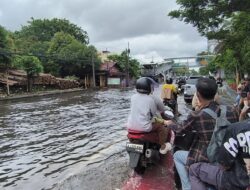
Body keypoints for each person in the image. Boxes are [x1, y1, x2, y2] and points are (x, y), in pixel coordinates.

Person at [165, 78, 239, 190]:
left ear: (198, 95)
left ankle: (187, 187)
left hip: (207, 159)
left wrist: (169, 123)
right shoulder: (232, 110)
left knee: (177, 155)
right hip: (229, 158)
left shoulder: (197, 115)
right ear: (215, 93)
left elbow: (179, 129)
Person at [189, 121, 250, 190]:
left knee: (194, 169)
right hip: (243, 180)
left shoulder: (236, 128)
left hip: (233, 180)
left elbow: (224, 163)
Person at [127, 77, 172, 154]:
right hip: (144, 127)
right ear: (148, 88)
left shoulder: (133, 97)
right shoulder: (150, 99)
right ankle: (162, 146)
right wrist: (163, 121)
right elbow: (153, 116)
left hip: (130, 126)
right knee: (162, 127)